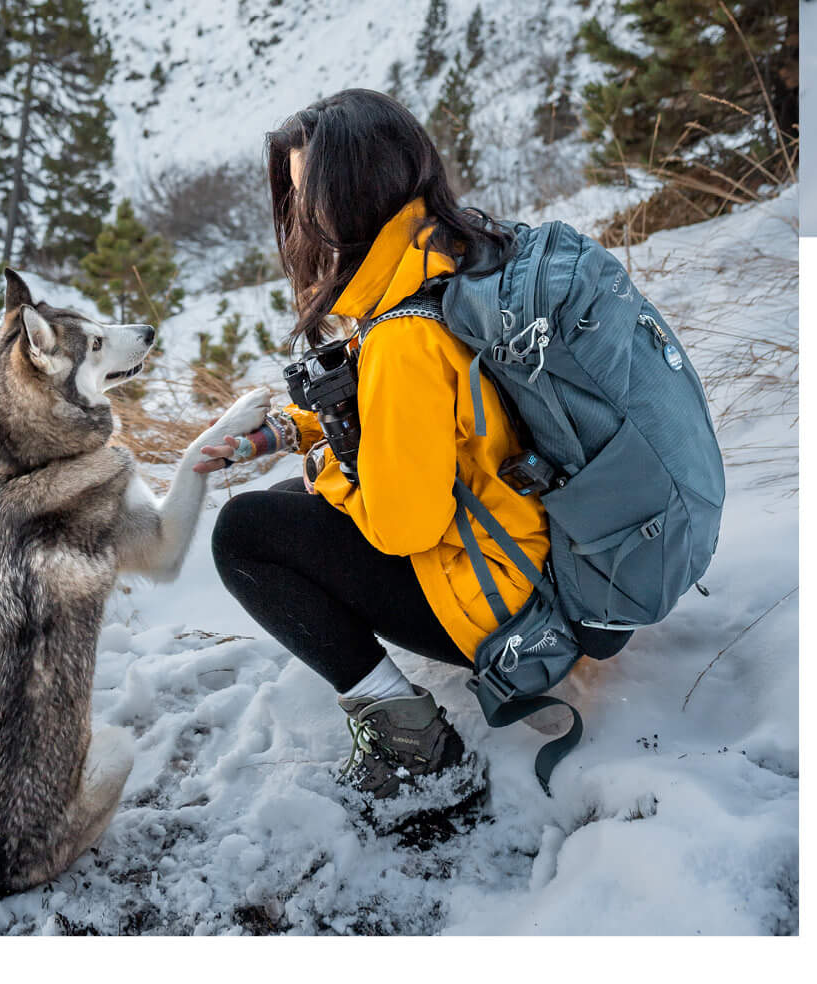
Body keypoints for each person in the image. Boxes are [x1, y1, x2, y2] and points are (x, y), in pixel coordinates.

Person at [202, 88, 622, 806]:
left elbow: (403, 527)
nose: (301, 217)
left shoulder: (403, 335)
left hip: (507, 611)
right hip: (561, 566)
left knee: (247, 534)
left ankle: (414, 747)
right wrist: (289, 432)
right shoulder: (451, 255)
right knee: (286, 508)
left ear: (353, 197)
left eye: (309, 197)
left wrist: (323, 468)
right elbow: (420, 419)